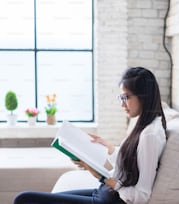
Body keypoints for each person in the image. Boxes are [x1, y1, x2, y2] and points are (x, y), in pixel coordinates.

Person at [14, 67, 167, 204]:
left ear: (144, 96)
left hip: (109, 199)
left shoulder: (150, 135)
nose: (122, 103)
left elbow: (141, 196)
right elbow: (131, 166)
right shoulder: (144, 124)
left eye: (126, 97)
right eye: (121, 97)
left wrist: (101, 176)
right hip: (104, 193)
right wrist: (108, 147)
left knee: (24, 199)